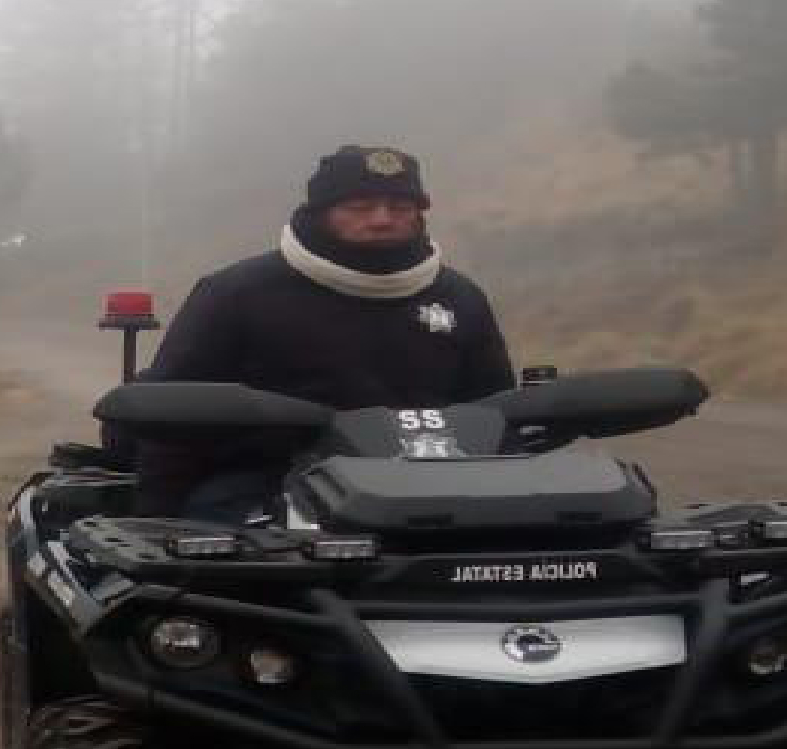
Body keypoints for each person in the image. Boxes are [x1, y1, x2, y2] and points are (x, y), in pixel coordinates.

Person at [134, 143, 513, 520]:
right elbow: (170, 423)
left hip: (434, 489)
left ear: (419, 214)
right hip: (265, 490)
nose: (382, 219)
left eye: (399, 206)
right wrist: (156, 523)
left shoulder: (459, 297)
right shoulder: (237, 293)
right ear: (321, 213)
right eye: (360, 207)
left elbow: (495, 415)